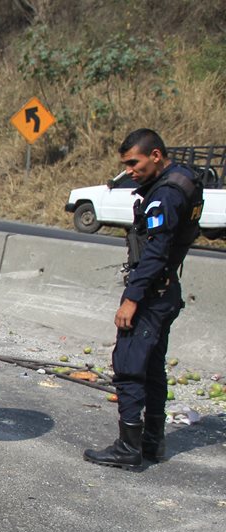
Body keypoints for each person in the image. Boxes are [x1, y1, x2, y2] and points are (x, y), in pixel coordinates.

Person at [84, 128, 202, 468]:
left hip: (151, 293)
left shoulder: (164, 195)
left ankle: (129, 449)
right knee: (152, 369)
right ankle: (153, 442)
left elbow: (156, 251)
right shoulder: (184, 181)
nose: (130, 171)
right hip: (166, 291)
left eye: (134, 163)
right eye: (125, 165)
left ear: (155, 155)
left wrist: (132, 298)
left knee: (129, 366)